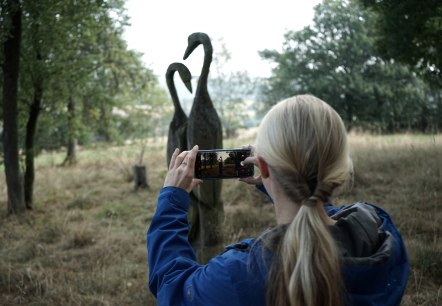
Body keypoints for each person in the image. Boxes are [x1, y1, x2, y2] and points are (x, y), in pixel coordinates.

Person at [147, 95, 409, 306]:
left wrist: (172, 198)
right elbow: (323, 215)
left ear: (263, 165)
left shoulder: (241, 273)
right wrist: (274, 184)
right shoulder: (379, 232)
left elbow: (174, 288)